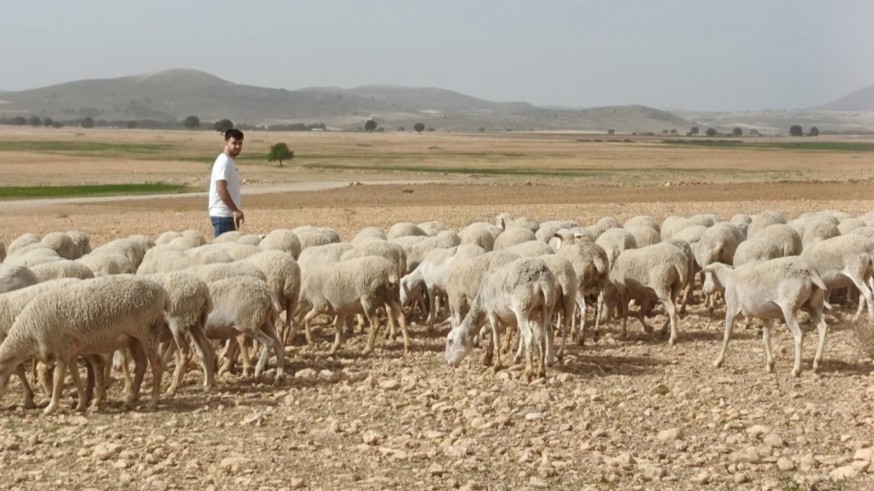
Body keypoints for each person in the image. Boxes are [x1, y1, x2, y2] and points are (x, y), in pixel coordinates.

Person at [208, 128, 245, 237]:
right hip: (223, 216)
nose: (237, 146)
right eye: (234, 143)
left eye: (240, 143)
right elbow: (221, 188)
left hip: (227, 216)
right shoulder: (223, 161)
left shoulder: (229, 161)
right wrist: (235, 210)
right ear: (226, 142)